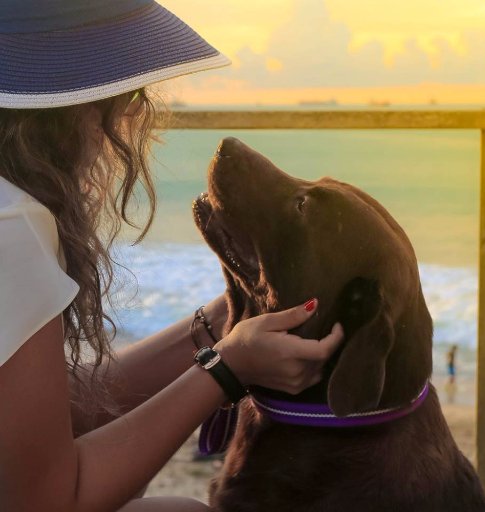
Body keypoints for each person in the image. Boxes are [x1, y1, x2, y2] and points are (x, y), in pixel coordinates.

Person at [0, 1, 343, 511]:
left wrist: (225, 319)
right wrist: (227, 369)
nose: (135, 111)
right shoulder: (14, 225)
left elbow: (39, 411)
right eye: (127, 89)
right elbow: (47, 502)